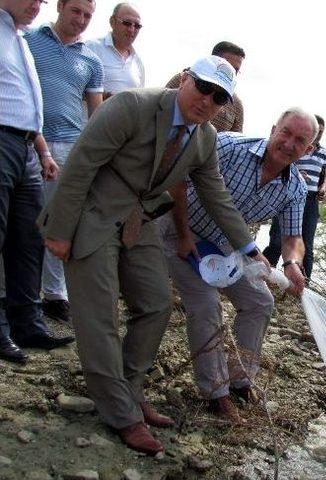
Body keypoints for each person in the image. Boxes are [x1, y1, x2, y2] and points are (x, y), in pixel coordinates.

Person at [39, 55, 261, 456]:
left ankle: (128, 389)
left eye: (219, 97)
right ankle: (121, 414)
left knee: (157, 304)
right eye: (204, 88)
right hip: (93, 213)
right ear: (186, 79)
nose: (207, 100)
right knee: (99, 314)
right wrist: (58, 231)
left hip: (137, 220)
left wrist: (250, 250)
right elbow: (82, 164)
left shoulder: (205, 138)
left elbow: (216, 197)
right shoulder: (131, 105)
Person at [160, 108, 315, 423]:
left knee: (260, 301)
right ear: (273, 128)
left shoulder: (296, 187)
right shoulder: (229, 147)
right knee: (206, 305)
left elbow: (292, 237)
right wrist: (185, 236)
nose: (289, 143)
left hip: (225, 249)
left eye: (300, 140)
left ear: (308, 150)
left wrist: (292, 263)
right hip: (177, 231)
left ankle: (240, 379)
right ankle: (215, 393)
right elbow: (175, 181)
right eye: (286, 132)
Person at [0, 0, 74, 364]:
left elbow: (25, 101)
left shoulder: (18, 36)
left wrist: (42, 152)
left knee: (28, 238)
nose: (37, 5)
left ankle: (27, 322)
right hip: (1, 138)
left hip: (26, 144)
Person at [25, 0, 104, 324]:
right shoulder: (29, 40)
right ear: (59, 7)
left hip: (72, 147)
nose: (81, 20)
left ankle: (55, 295)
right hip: (28, 140)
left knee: (61, 222)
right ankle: (14, 294)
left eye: (88, 15)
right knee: (22, 218)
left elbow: (97, 113)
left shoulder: (91, 60)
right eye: (76, 11)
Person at [263, 114, 326, 279]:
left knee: (307, 244)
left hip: (311, 200)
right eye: (317, 131)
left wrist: (323, 187)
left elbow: (325, 174)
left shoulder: (323, 153)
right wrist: (297, 174)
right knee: (277, 240)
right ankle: (264, 273)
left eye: (321, 132)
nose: (319, 134)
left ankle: (304, 283)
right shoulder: (297, 145)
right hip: (289, 195)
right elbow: (283, 163)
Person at [166, 41, 245, 133]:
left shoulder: (236, 106)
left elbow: (236, 142)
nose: (229, 71)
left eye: (220, 99)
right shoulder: (182, 80)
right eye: (203, 88)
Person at [86, 2, 145, 98]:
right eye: (127, 23)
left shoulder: (138, 62)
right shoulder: (91, 48)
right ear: (112, 22)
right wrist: (106, 96)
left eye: (137, 26)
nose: (132, 29)